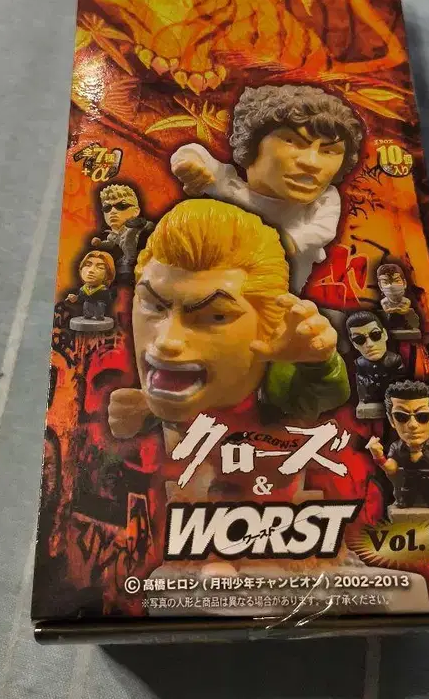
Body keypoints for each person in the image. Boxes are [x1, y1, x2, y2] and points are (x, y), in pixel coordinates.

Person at [107, 198, 349, 502]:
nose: (168, 340)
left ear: (267, 323)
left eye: (216, 316)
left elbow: (327, 394)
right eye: (154, 306)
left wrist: (319, 361)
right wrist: (145, 411)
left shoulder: (278, 377)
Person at [170, 85, 363, 294]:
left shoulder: (323, 201)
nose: (311, 162)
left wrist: (289, 242)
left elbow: (321, 230)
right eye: (292, 142)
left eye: (330, 151)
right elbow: (196, 155)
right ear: (252, 142)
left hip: (282, 294)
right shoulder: (233, 192)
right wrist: (190, 165)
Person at [366, 380, 429, 509]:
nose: (413, 425)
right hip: (408, 484)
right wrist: (378, 456)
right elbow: (391, 468)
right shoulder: (396, 448)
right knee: (405, 498)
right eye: (401, 416)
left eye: (423, 416)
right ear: (391, 420)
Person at [345, 309, 404, 419]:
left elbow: (399, 387)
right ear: (354, 344)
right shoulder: (359, 364)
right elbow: (362, 388)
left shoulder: (394, 360)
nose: (369, 344)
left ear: (384, 334)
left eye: (375, 335)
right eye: (359, 339)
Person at [91, 184, 155, 284]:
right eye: (107, 208)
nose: (112, 212)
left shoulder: (145, 231)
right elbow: (110, 243)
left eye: (121, 206)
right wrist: (99, 243)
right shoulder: (111, 236)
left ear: (136, 211)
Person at [66, 250, 116, 332]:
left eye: (100, 267)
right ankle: (88, 315)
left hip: (99, 307)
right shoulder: (83, 289)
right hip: (88, 306)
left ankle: (99, 316)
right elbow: (81, 298)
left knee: (100, 305)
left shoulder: (103, 290)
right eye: (87, 265)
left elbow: (108, 300)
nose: (91, 270)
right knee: (86, 304)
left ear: (108, 274)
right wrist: (75, 298)